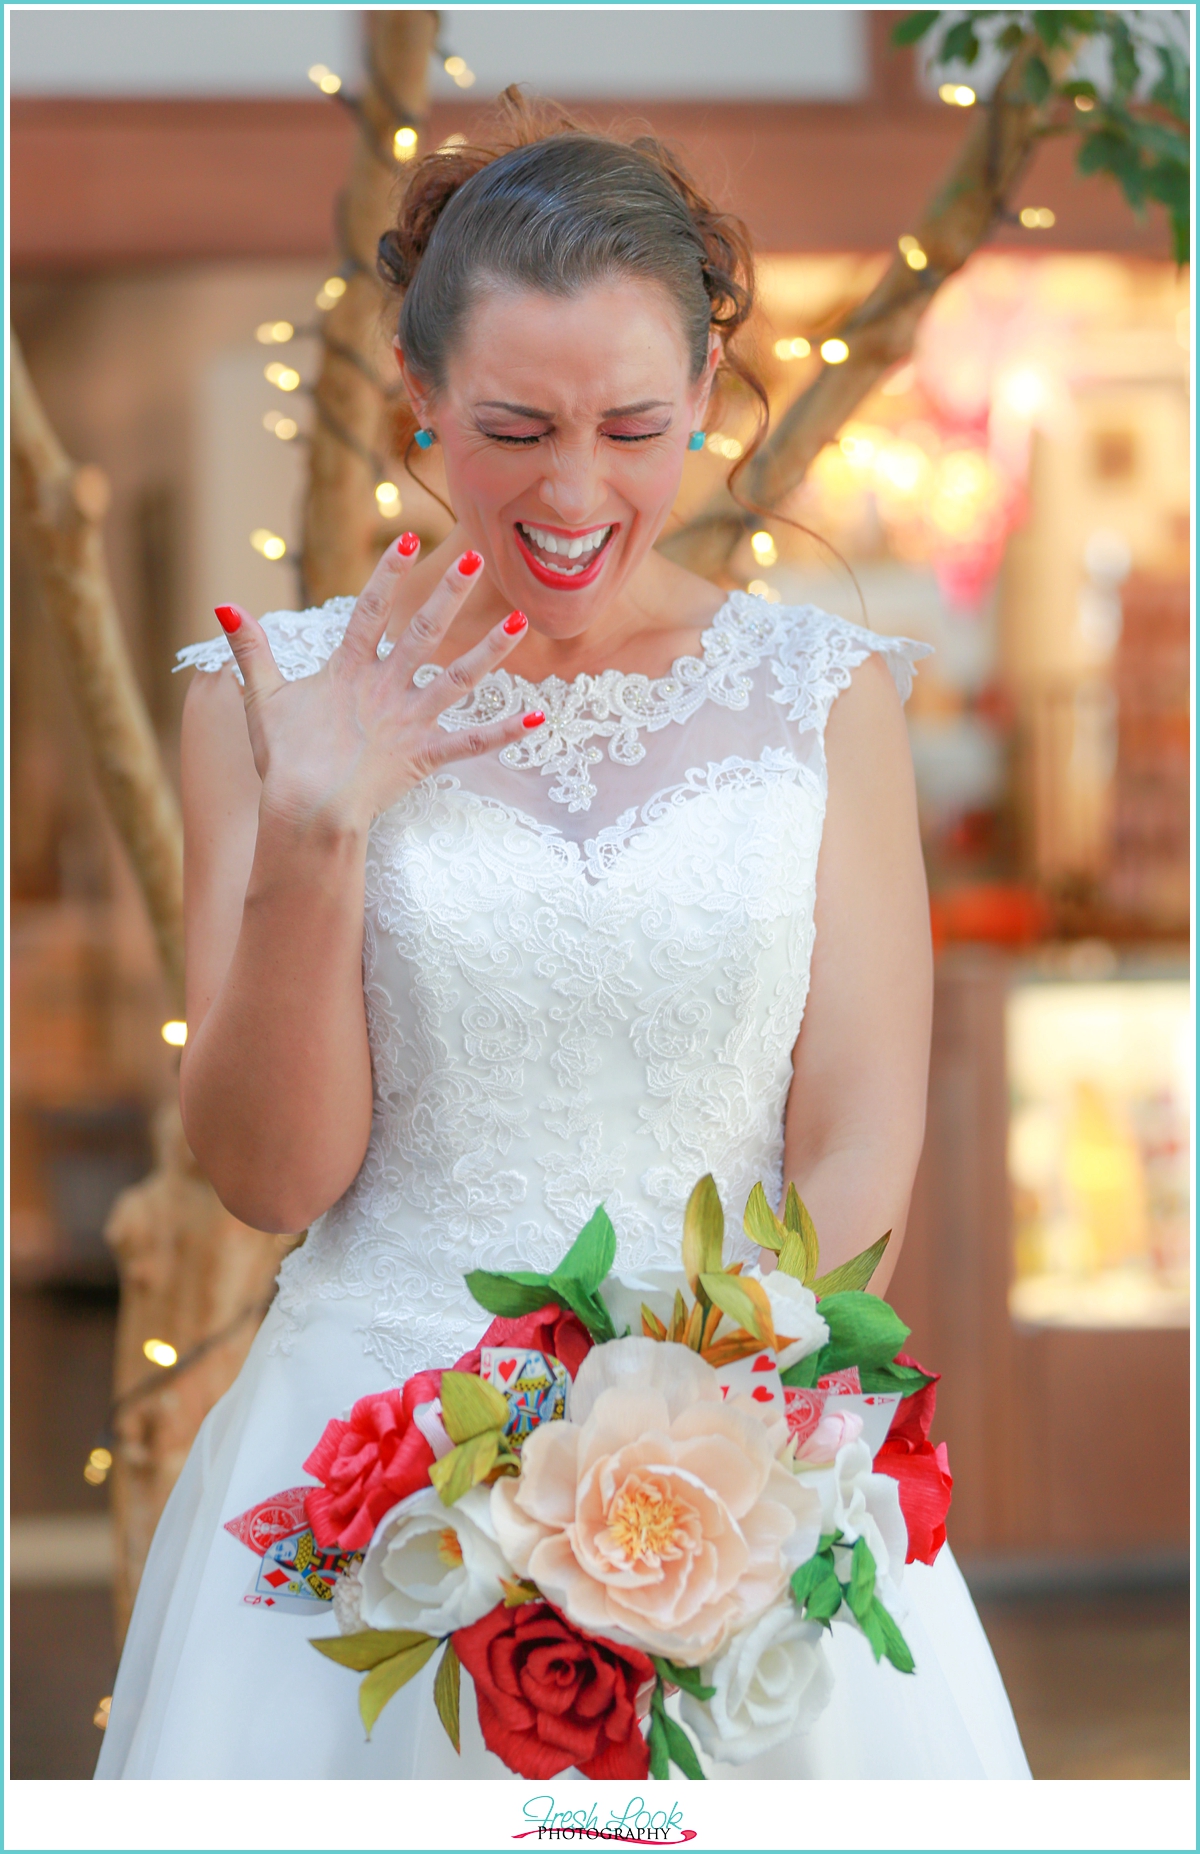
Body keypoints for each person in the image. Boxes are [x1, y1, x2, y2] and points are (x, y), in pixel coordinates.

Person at [97, 98, 1030, 1781]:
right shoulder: (272, 693)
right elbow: (266, 1178)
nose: (578, 490)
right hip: (372, 1459)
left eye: (636, 424)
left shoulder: (828, 701)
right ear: (420, 397)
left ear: (708, 395)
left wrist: (688, 1454)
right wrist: (324, 824)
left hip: (735, 1452)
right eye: (517, 426)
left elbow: (860, 1128)